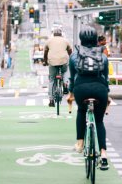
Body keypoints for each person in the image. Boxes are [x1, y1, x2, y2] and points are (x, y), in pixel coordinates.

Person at [67, 26, 110, 170]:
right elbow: (106, 78)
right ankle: (103, 154)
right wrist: (107, 94)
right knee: (99, 120)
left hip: (81, 89)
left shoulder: (75, 55)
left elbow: (72, 79)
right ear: (95, 39)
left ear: (81, 39)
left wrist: (71, 93)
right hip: (100, 90)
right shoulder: (102, 56)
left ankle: (80, 143)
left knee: (81, 111)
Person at [43, 27, 72, 107]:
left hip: (52, 62)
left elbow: (45, 52)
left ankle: (51, 100)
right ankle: (65, 84)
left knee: (52, 79)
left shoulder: (49, 41)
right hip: (63, 62)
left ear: (54, 34)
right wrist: (71, 57)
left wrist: (45, 61)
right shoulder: (65, 40)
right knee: (66, 71)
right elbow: (70, 51)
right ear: (61, 34)